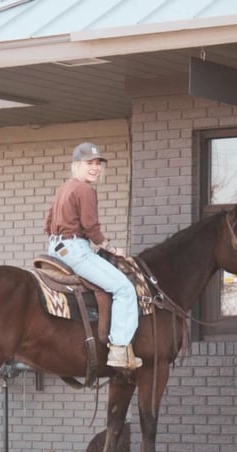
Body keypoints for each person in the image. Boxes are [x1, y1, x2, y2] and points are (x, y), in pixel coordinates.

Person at [44, 142, 142, 371]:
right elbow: (90, 226)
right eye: (90, 163)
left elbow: (48, 224)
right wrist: (109, 247)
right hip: (76, 250)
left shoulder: (64, 188)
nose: (95, 168)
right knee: (124, 288)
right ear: (76, 165)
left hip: (55, 248)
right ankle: (119, 349)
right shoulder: (85, 190)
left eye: (98, 164)